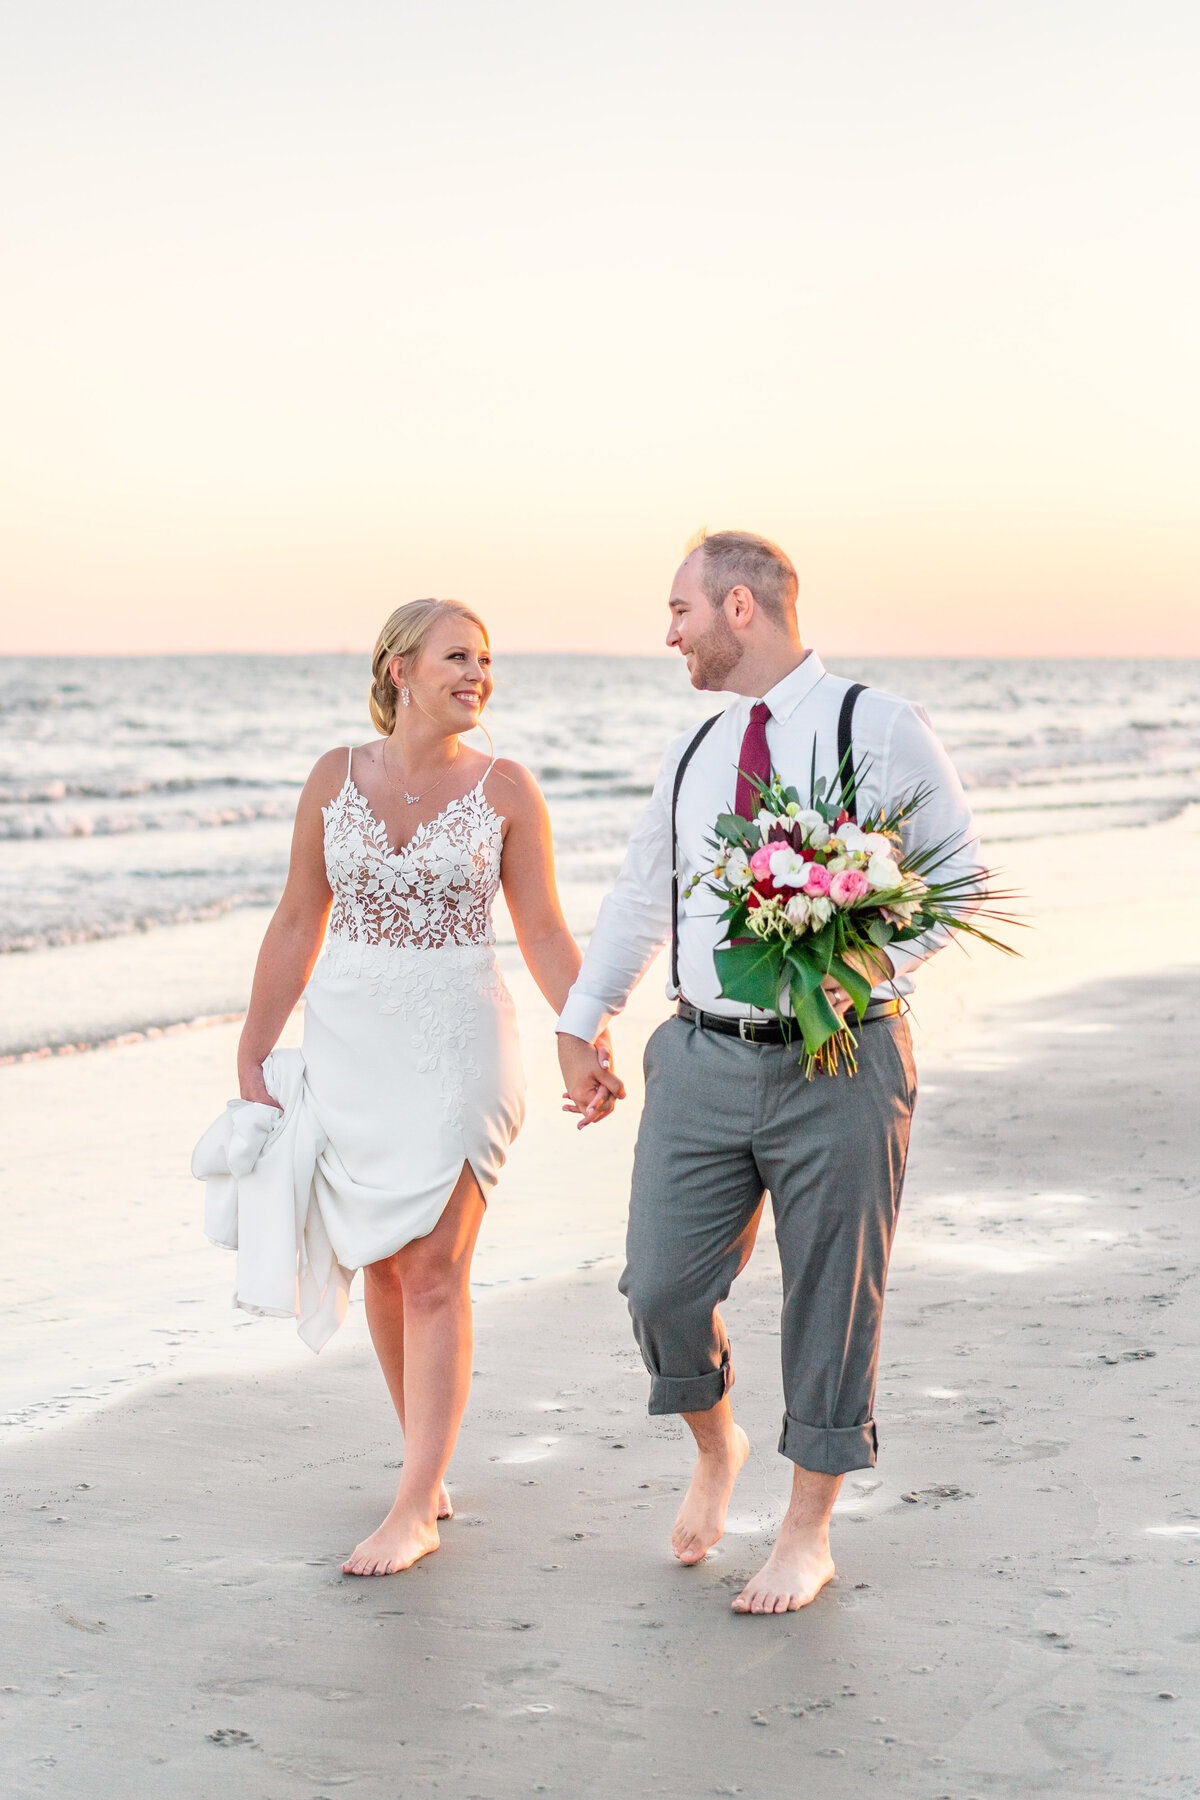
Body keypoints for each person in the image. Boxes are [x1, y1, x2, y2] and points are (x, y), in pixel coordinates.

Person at [557, 531, 983, 1615]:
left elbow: (960, 878)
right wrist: (583, 1018)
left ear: (740, 608)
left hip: (840, 1062)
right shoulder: (695, 749)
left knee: (832, 1301)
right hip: (698, 1056)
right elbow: (641, 893)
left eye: (681, 611)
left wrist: (865, 966)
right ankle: (717, 1442)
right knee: (659, 1286)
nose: (670, 634)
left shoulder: (877, 725)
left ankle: (807, 1533)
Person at [204, 598, 613, 1577]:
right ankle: (424, 1473)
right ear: (398, 669)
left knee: (433, 1269)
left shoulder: (506, 789)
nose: (479, 674)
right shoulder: (331, 779)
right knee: (383, 1264)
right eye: (458, 657)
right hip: (348, 1038)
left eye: (486, 659)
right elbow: (299, 917)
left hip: (456, 1035)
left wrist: (585, 1034)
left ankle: (413, 1505)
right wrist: (254, 1046)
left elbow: (546, 932)